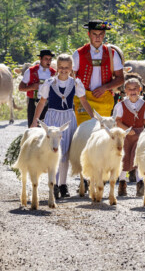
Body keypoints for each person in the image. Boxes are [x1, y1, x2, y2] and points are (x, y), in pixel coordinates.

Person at [30, 54, 94, 199]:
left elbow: (83, 101)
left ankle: (63, 184)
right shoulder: (49, 83)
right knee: (54, 151)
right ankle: (54, 184)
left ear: (71, 69)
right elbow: (41, 102)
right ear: (56, 68)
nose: (63, 70)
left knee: (65, 153)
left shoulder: (76, 83)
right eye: (61, 67)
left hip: (68, 118)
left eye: (67, 68)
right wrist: (35, 121)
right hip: (53, 117)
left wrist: (93, 118)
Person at [72, 20, 124, 126]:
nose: (97, 37)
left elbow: (121, 79)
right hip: (83, 100)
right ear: (89, 34)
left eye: (100, 34)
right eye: (94, 34)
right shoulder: (78, 54)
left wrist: (104, 88)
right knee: (83, 133)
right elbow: (71, 77)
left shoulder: (112, 54)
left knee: (103, 134)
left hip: (104, 101)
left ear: (104, 35)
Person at [113, 77, 145, 197]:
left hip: (139, 135)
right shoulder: (121, 105)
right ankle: (122, 183)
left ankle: (140, 183)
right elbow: (117, 121)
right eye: (129, 89)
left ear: (140, 89)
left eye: (135, 88)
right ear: (125, 90)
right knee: (124, 158)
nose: (133, 91)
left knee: (138, 158)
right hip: (125, 135)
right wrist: (126, 130)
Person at [18, 49, 56, 126]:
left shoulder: (54, 73)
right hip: (33, 101)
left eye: (50, 59)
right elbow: (21, 88)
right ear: (40, 59)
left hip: (49, 103)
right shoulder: (30, 71)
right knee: (33, 127)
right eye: (46, 59)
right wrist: (32, 87)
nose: (48, 61)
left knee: (47, 127)